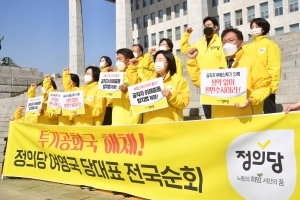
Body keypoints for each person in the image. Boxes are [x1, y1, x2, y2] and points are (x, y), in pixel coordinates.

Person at [186, 27, 271, 118]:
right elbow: (201, 82)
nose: (227, 44)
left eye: (231, 40)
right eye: (224, 41)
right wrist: (192, 61)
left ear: (241, 43)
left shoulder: (253, 63)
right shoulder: (218, 65)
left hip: (245, 117)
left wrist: (251, 99)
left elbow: (264, 86)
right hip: (220, 119)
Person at [181, 16, 227, 119]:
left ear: (215, 27)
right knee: (208, 113)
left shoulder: (221, 42)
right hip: (205, 83)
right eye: (205, 26)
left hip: (219, 82)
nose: (206, 27)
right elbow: (184, 50)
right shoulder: (198, 44)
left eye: (209, 25)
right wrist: (186, 34)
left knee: (220, 112)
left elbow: (224, 59)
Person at [127, 50, 190, 123]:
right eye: (155, 60)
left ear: (169, 62)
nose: (157, 62)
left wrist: (170, 96)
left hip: (171, 124)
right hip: (150, 124)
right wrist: (132, 67)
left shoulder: (179, 80)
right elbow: (135, 84)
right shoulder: (150, 80)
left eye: (160, 60)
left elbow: (184, 103)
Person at [243, 18, 281, 114]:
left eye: (257, 26)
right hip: (251, 87)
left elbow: (274, 67)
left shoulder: (270, 45)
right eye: (252, 27)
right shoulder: (246, 47)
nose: (254, 29)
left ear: (263, 29)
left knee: (269, 115)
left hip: (266, 87)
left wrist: (272, 87)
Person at [107, 48, 140, 125]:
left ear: (128, 60)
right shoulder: (116, 76)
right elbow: (110, 100)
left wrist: (126, 91)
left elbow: (138, 95)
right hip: (116, 116)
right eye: (117, 59)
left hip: (129, 117)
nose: (118, 61)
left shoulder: (135, 73)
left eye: (120, 59)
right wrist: (108, 77)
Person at [98, 56, 113, 125]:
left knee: (107, 121)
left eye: (103, 61)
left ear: (107, 62)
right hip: (100, 100)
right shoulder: (99, 72)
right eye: (100, 61)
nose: (101, 62)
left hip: (108, 102)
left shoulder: (110, 70)